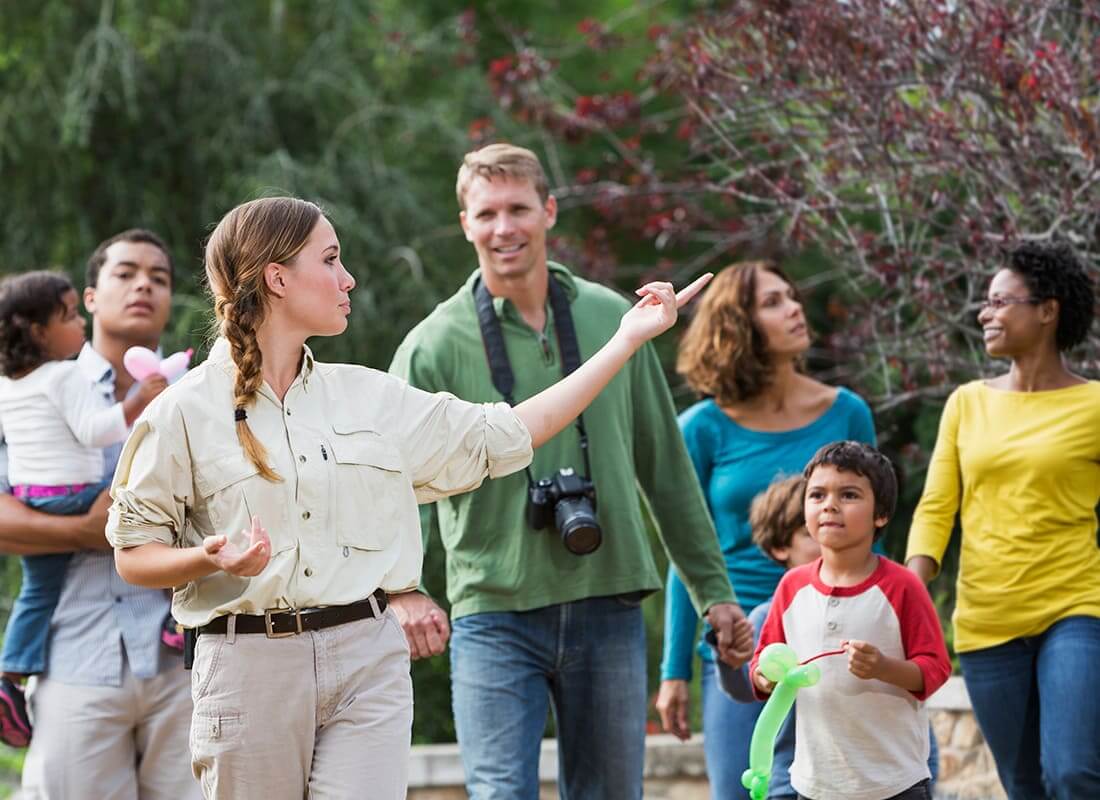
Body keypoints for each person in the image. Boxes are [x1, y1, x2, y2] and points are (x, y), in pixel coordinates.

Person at [104, 195, 710, 799]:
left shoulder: (371, 398)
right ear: (278, 278)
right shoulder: (181, 413)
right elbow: (134, 555)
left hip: (367, 657)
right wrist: (208, 558)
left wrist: (626, 341)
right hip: (248, 669)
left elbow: (511, 432)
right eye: (332, 259)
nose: (349, 279)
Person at [388, 142, 751, 800]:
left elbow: (665, 467)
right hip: (492, 609)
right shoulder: (431, 346)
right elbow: (389, 484)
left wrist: (714, 592)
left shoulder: (614, 317)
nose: (505, 228)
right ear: (465, 222)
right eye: (487, 212)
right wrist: (401, 587)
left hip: (606, 600)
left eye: (519, 208)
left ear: (549, 211)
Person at [655, 260, 875, 797]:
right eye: (773, 302)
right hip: (740, 650)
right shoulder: (701, 430)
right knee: (744, 789)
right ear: (738, 326)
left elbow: (876, 538)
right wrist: (674, 671)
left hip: (834, 643)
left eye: (792, 295)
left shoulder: (847, 412)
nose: (795, 307)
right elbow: (686, 554)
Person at [0, 229, 198, 799]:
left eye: (159, 278)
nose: (144, 285)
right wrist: (83, 531)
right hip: (76, 655)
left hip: (186, 661)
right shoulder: (28, 388)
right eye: (126, 272)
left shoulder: (199, 391)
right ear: (87, 300)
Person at [905, 241, 1100, 800]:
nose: (984, 314)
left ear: (1047, 309)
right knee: (1024, 784)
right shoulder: (967, 403)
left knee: (1075, 772)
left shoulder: (1093, 406)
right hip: (987, 615)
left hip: (1075, 605)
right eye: (984, 304)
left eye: (999, 301)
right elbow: (937, 507)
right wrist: (905, 592)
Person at [751, 441, 951, 800]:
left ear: (881, 515)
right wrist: (764, 676)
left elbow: (935, 669)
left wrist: (883, 667)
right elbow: (764, 657)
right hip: (814, 785)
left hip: (895, 783)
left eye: (848, 495)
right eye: (817, 495)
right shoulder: (791, 587)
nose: (829, 504)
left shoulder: (902, 586)